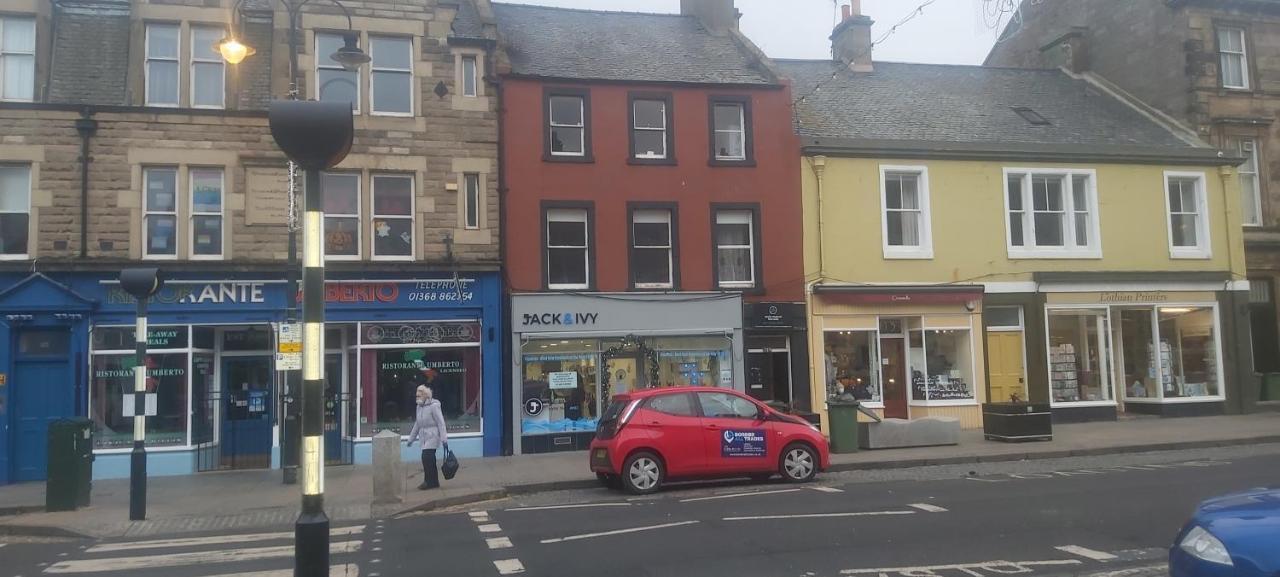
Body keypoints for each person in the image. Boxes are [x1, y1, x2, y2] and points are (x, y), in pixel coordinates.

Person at [406, 385, 448, 490]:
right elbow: (417, 424)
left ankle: (428, 481)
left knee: (426, 457)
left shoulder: (434, 406)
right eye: (417, 396)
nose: (417, 397)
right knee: (430, 460)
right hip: (423, 436)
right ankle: (434, 482)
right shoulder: (419, 407)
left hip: (433, 435)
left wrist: (444, 439)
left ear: (425, 395)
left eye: (419, 395)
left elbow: (441, 422)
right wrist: (411, 439)